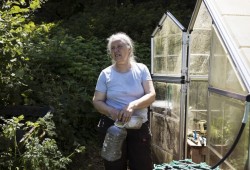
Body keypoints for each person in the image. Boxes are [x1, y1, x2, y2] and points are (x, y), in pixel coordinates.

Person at [92, 32, 156, 170]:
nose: (116, 50)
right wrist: (111, 111)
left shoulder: (141, 69)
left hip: (138, 127)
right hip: (112, 126)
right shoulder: (106, 73)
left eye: (119, 46)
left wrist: (132, 105)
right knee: (114, 166)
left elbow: (151, 95)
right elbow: (97, 101)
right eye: (113, 48)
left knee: (142, 166)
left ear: (129, 49)